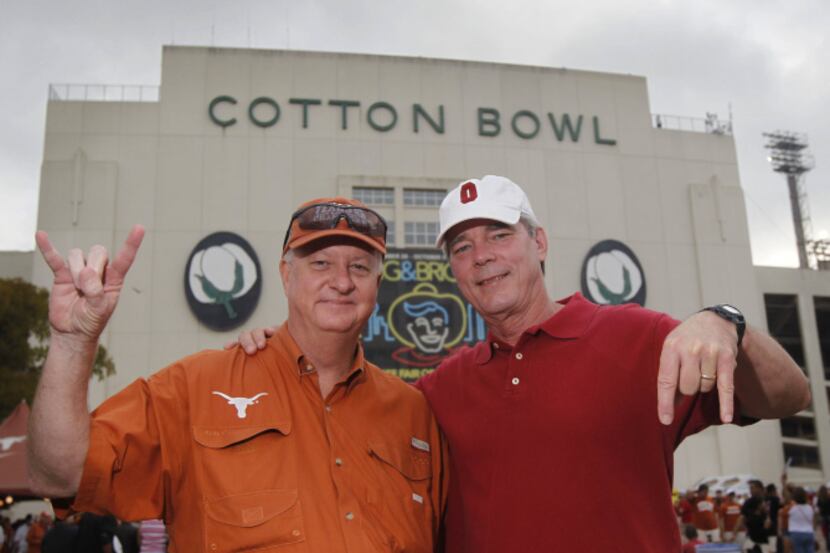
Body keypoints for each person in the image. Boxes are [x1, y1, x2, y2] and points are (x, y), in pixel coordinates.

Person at [233, 175, 811, 552]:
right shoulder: (436, 392)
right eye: (461, 248)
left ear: (539, 242)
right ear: (453, 272)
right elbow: (334, 407)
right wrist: (286, 348)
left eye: (498, 235)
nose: (481, 256)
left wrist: (728, 323)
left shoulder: (638, 338)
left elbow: (790, 397)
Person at [27, 197, 447, 552]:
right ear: (286, 274)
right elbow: (60, 474)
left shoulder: (413, 413)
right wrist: (72, 343)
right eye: (320, 263)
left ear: (377, 282)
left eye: (359, 267)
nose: (341, 282)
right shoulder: (196, 388)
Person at [787, 487, 817, 553]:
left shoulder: (792, 508)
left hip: (796, 533)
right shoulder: (810, 508)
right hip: (809, 533)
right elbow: (813, 522)